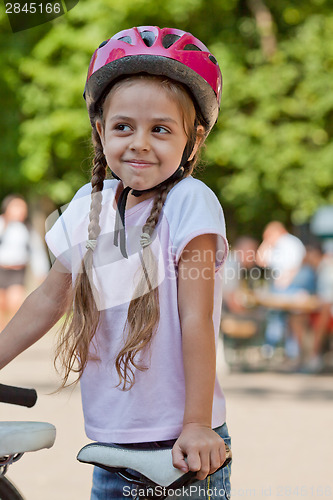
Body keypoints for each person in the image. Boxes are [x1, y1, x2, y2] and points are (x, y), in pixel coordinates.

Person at [0, 26, 231, 499]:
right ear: (101, 130)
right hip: (112, 442)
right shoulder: (91, 203)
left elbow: (196, 317)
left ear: (193, 139)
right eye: (123, 126)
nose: (140, 143)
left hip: (182, 448)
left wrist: (197, 424)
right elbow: (49, 297)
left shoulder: (192, 202)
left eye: (161, 129)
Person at [256, 221, 306, 359]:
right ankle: (276, 350)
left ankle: (289, 352)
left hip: (290, 286)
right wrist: (266, 241)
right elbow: (260, 260)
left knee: (290, 319)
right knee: (275, 316)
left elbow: (296, 266)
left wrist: (285, 280)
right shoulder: (276, 245)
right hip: (279, 286)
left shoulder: (291, 243)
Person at [0, 195, 49, 329]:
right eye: (17, 207)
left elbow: (37, 252)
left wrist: (42, 273)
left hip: (17, 273)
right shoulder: (1, 224)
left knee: (15, 304)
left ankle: (9, 337)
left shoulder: (28, 229)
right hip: (1, 271)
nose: (21, 211)